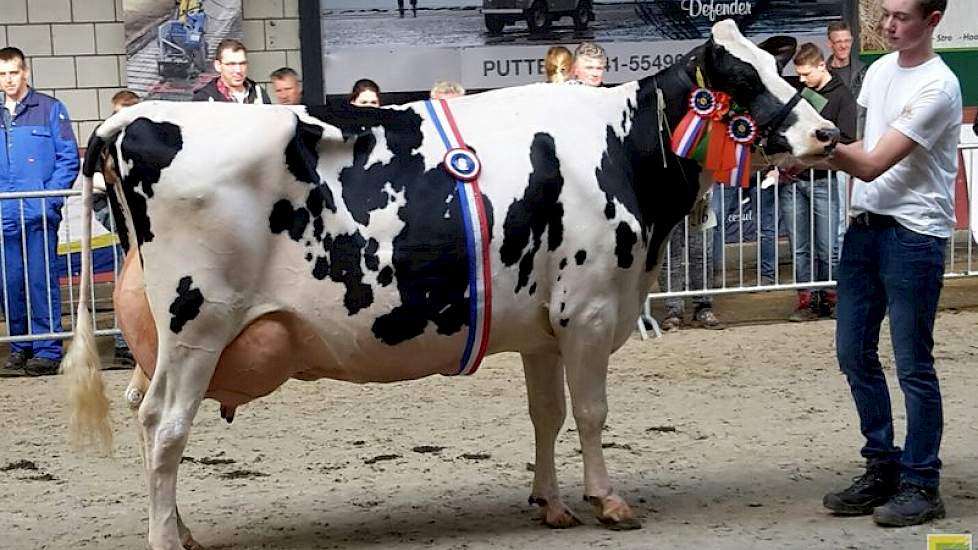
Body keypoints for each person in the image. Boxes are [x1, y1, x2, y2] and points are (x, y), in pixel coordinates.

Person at [821, 0, 961, 527]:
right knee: (853, 351)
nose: (889, 23)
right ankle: (882, 464)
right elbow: (865, 145)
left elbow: (875, 161)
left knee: (912, 364)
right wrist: (822, 149)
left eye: (903, 16)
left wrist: (812, 143)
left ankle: (922, 480)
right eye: (887, 13)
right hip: (865, 227)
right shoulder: (878, 71)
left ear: (933, 21)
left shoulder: (939, 86)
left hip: (913, 235)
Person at [0, 47, 80, 377]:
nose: (8, 80)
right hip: (4, 213)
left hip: (38, 214)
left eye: (13, 73)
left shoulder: (50, 109)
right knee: (11, 282)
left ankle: (47, 347)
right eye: (2, 74)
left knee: (40, 280)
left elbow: (68, 159)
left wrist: (48, 201)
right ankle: (21, 345)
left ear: (26, 72)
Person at [783, 42, 856, 321]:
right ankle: (807, 300)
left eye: (805, 74)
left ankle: (832, 297)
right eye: (799, 75)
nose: (801, 80)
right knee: (800, 245)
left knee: (827, 244)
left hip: (823, 180)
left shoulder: (843, 98)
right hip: (794, 181)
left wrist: (807, 161)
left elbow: (847, 142)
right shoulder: (802, 95)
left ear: (821, 66)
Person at [91, 90, 140, 368]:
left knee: (133, 278)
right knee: (129, 279)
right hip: (117, 214)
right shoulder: (106, 141)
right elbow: (99, 181)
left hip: (140, 218)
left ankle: (132, 343)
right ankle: (124, 344)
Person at [657, 209, 724, 331]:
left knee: (702, 255)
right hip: (665, 204)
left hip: (699, 204)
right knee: (669, 258)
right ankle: (674, 312)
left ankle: (703, 308)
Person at [192, 38, 271, 104]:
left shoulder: (259, 93)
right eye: (231, 64)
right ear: (218, 66)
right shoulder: (203, 98)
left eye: (242, 63)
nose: (238, 70)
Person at [826, 21, 868, 98]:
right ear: (829, 43)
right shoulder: (822, 73)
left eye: (847, 41)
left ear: (852, 41)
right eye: (838, 42)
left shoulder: (863, 72)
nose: (843, 46)